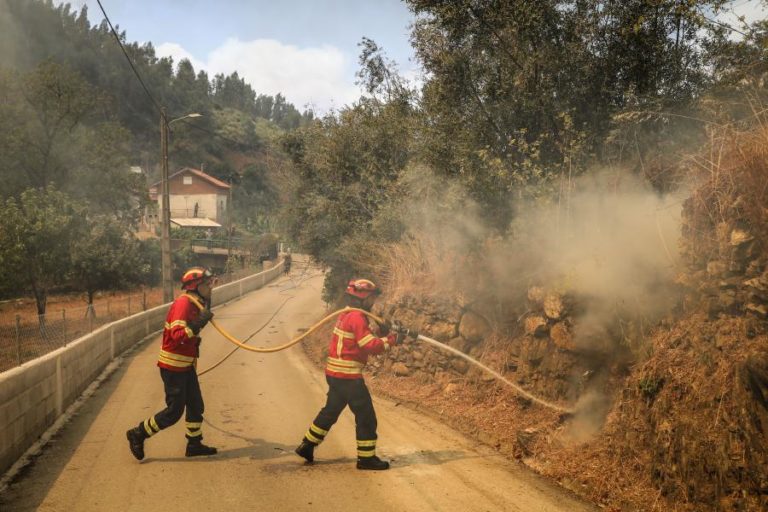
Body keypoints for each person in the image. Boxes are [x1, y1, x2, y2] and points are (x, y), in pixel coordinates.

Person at [295, 278, 403, 470]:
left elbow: (360, 339)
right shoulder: (357, 317)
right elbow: (370, 345)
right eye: (372, 298)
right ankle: (366, 459)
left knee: (330, 411)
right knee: (366, 417)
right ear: (364, 297)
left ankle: (307, 445)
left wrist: (383, 332)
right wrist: (392, 339)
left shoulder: (347, 313)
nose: (373, 302)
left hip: (335, 373)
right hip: (348, 377)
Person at [126, 267, 218, 460]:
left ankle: (194, 444)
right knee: (174, 412)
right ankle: (138, 433)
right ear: (196, 286)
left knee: (196, 405)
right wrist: (198, 323)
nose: (211, 287)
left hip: (185, 365)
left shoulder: (196, 303)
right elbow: (177, 336)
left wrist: (197, 331)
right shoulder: (184, 304)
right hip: (173, 367)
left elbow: (187, 335)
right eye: (208, 284)